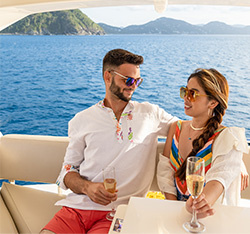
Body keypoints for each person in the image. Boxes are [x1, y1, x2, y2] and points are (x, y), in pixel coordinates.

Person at [41, 49, 177, 234]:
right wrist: (88, 188)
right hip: (75, 210)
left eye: (138, 81)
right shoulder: (81, 120)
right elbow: (67, 171)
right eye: (128, 80)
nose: (133, 86)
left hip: (118, 213)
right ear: (108, 76)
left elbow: (187, 129)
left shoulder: (150, 114)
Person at [157, 68, 249, 218]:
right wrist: (174, 207)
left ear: (213, 102)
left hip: (208, 215)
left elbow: (219, 177)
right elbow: (165, 172)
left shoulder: (226, 138)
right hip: (174, 212)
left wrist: (202, 203)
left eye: (192, 94)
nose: (185, 98)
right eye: (185, 91)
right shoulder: (176, 128)